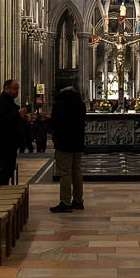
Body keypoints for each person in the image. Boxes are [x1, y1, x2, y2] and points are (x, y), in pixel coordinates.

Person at [50, 83, 86, 212]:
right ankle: (78, 201)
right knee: (76, 172)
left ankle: (65, 202)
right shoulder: (81, 104)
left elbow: (53, 123)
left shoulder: (59, 104)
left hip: (64, 143)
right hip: (78, 143)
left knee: (65, 173)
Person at [0, 79, 25, 185]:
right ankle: (1, 189)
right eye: (15, 89)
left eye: (17, 89)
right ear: (6, 89)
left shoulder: (9, 102)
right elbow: (1, 122)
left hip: (11, 142)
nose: (17, 91)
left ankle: (4, 187)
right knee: (6, 169)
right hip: (4, 142)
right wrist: (18, 114)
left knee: (9, 170)